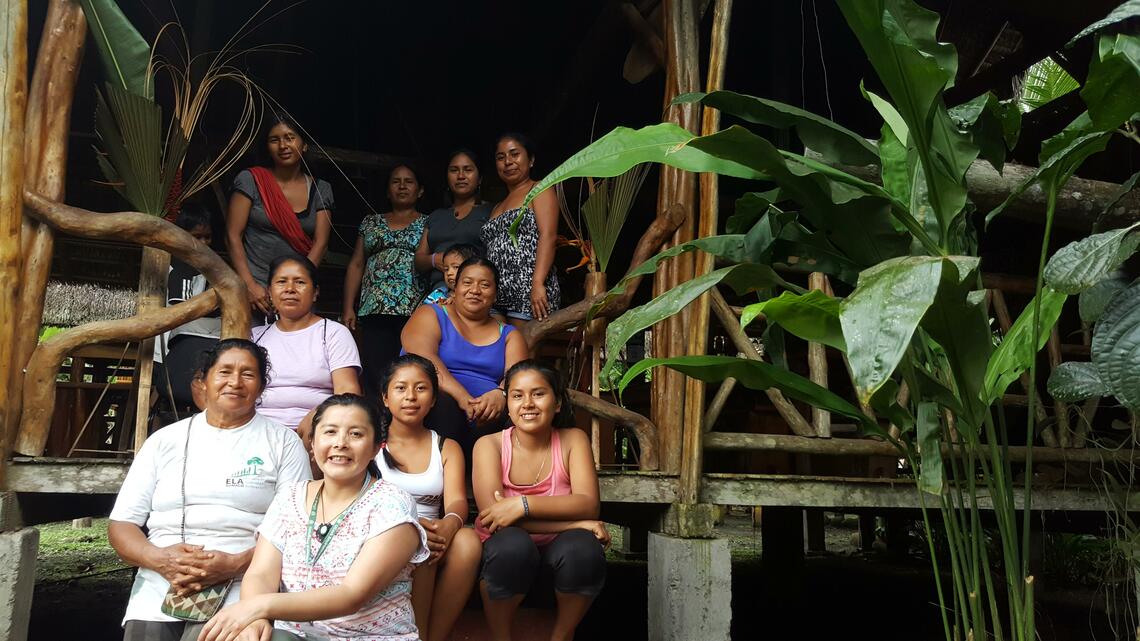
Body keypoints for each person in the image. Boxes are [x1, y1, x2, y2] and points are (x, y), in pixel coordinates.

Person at [109, 339, 312, 641]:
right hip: (161, 581)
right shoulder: (163, 442)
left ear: (261, 386)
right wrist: (159, 559)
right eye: (224, 371)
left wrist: (235, 564)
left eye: (248, 374)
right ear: (203, 381)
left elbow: (298, 531)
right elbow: (122, 525)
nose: (235, 382)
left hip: (244, 581)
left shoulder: (283, 443)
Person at [198, 394, 429, 641]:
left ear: (376, 447)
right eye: (330, 432)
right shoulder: (290, 496)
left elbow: (351, 595)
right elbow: (261, 573)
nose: (341, 443)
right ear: (312, 442)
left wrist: (257, 608)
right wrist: (256, 621)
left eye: (356, 434)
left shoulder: (391, 504)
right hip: (291, 636)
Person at [473, 361, 608, 641]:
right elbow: (493, 520)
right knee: (512, 545)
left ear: (557, 403)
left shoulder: (573, 439)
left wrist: (522, 504)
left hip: (558, 559)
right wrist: (577, 523)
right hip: (506, 559)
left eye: (538, 394)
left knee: (583, 549)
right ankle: (501, 637)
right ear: (507, 405)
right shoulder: (490, 445)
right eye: (517, 395)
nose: (528, 404)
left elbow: (587, 503)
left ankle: (560, 636)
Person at [374, 354, 481, 641]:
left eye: (421, 388)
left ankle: (433, 635)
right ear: (385, 398)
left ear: (433, 399)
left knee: (468, 542)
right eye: (400, 388)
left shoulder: (447, 447)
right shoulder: (370, 444)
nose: (411, 396)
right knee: (417, 540)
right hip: (383, 534)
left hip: (435, 536)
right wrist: (411, 526)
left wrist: (450, 523)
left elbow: (457, 501)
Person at [400, 258, 529, 459]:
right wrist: (463, 398)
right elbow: (422, 360)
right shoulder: (430, 314)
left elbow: (519, 377)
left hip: (487, 417)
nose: (475, 290)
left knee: (517, 409)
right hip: (439, 408)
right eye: (467, 283)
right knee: (441, 402)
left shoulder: (510, 335)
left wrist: (501, 393)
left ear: (495, 294)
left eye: (485, 285)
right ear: (455, 288)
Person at [227, 115, 334, 316]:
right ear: (267, 147)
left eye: (290, 138)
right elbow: (233, 235)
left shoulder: (321, 189)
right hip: (254, 291)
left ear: (304, 145)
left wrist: (297, 286)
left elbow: (321, 243)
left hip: (297, 293)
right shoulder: (251, 180)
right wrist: (249, 285)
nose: (283, 145)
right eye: (274, 140)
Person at [343, 164, 428, 396]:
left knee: (409, 370)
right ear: (388, 190)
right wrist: (348, 306)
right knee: (375, 371)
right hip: (374, 309)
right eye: (396, 181)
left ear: (420, 191)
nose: (402, 186)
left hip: (413, 311)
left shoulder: (429, 223)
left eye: (409, 181)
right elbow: (357, 263)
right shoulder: (371, 222)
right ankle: (378, 424)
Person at [253, 256, 361, 432]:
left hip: (317, 430)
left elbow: (347, 392)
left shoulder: (333, 333)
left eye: (300, 282)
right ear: (270, 292)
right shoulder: (255, 337)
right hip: (258, 430)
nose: (290, 289)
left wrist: (315, 422)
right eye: (281, 282)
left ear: (315, 292)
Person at [482, 133, 560, 325]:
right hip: (496, 293)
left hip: (528, 287)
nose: (507, 162)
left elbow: (548, 236)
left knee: (522, 353)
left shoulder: (539, 189)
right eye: (501, 158)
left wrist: (537, 283)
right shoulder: (496, 207)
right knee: (495, 352)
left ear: (530, 160)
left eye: (514, 154)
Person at [156, 204, 222, 415]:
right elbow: (184, 311)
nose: (203, 243)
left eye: (208, 237)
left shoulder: (210, 268)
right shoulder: (179, 267)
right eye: (197, 236)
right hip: (169, 350)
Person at [415, 149, 492, 293]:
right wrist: (435, 259)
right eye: (454, 170)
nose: (461, 176)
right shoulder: (436, 216)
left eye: (468, 170)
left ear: (480, 178)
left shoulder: (492, 211)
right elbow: (418, 260)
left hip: (476, 290)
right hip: (439, 290)